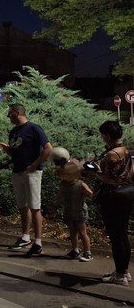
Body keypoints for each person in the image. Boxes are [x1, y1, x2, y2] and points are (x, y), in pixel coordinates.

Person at [0, 104, 52, 255]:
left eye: (10, 114)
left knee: (35, 206)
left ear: (17, 113)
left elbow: (48, 148)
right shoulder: (14, 131)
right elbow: (16, 152)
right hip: (17, 171)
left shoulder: (34, 128)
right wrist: (8, 150)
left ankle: (38, 241)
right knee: (23, 205)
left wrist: (35, 164)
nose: (8, 117)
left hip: (32, 172)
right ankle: (25, 236)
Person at [87, 121, 134, 285]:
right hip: (128, 193)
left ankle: (120, 276)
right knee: (122, 234)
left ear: (107, 135)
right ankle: (123, 272)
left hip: (115, 197)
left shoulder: (112, 154)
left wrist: (95, 173)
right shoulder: (125, 150)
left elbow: (110, 179)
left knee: (116, 237)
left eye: (102, 135)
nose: (102, 138)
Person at [53, 158, 92, 261]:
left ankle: (88, 252)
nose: (62, 177)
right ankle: (75, 250)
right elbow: (60, 195)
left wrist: (90, 195)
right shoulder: (64, 185)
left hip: (80, 213)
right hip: (69, 211)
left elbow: (90, 193)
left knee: (82, 232)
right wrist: (55, 203)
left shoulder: (80, 185)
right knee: (72, 232)